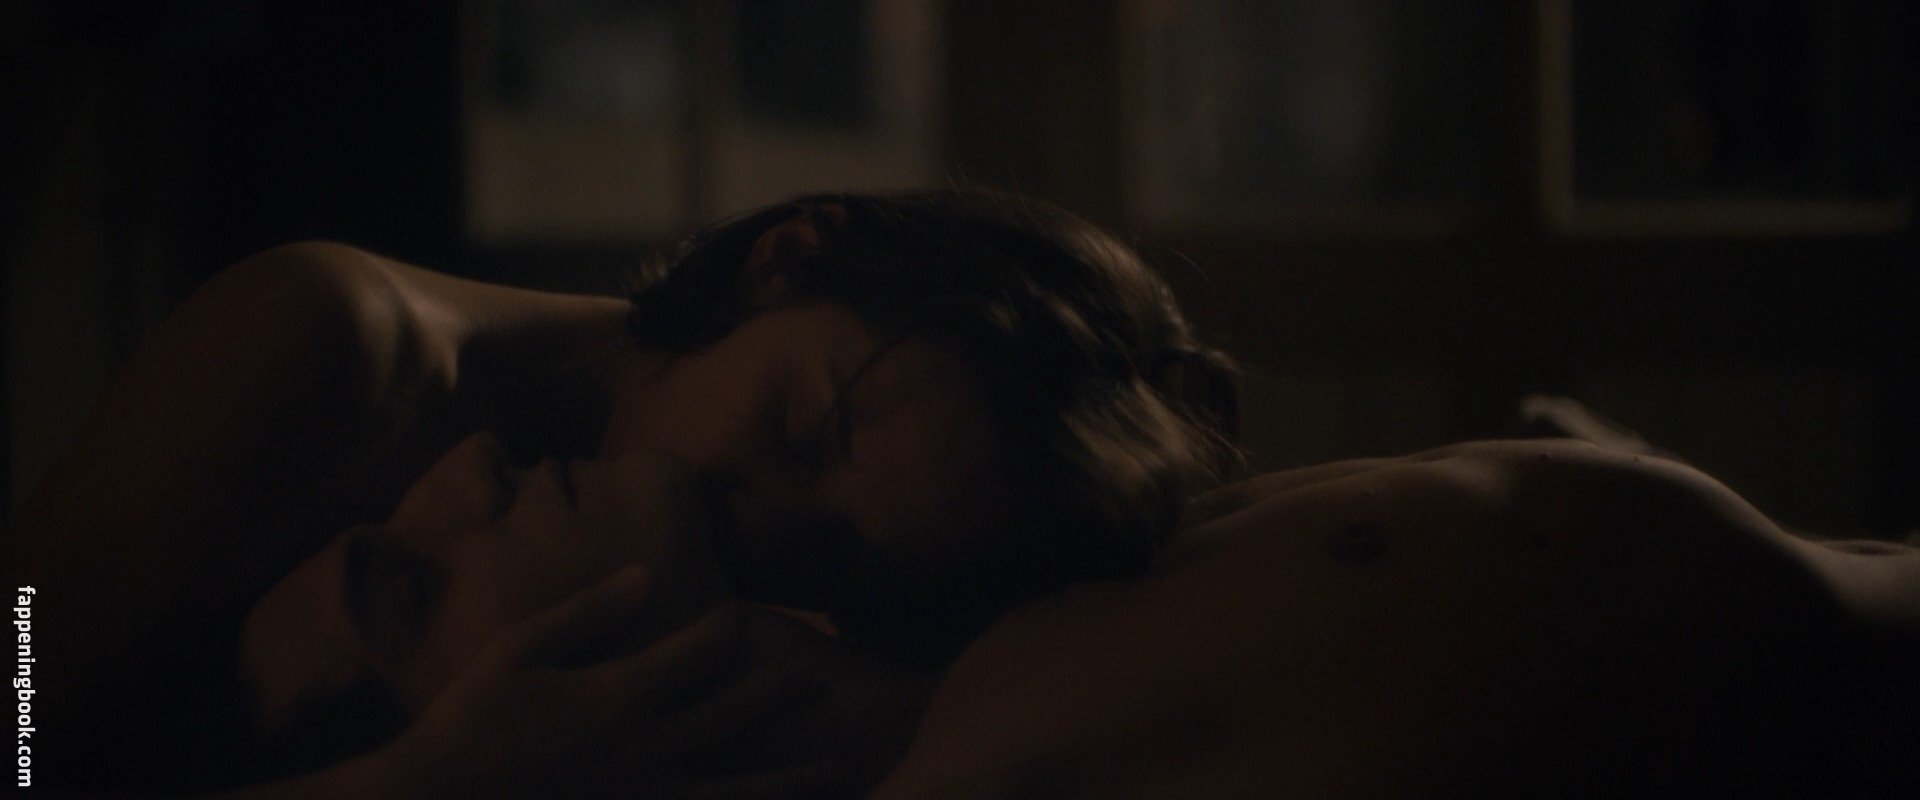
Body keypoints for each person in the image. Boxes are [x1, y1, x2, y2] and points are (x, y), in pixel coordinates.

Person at [7, 189, 1240, 795]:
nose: (752, 512)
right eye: (802, 429)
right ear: (780, 263)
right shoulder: (333, 351)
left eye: (833, 555)